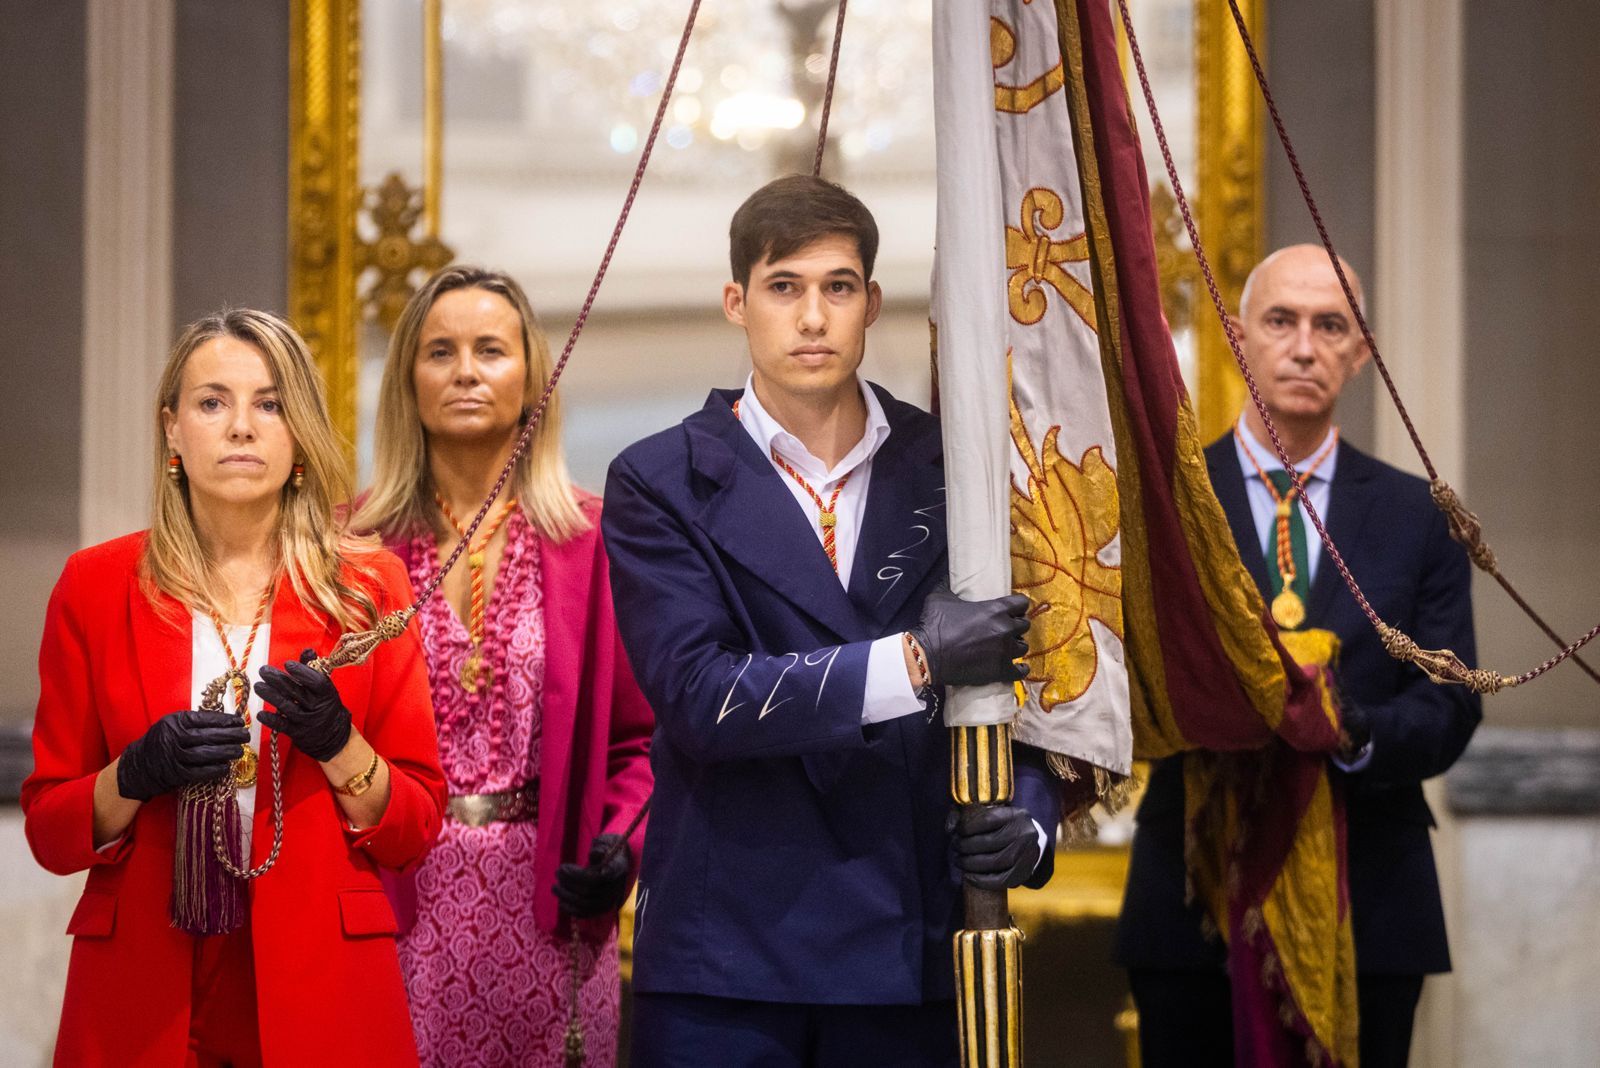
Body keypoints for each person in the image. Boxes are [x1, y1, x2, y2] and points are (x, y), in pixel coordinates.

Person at [602, 174, 1064, 1068]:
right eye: (784, 287)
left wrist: (1034, 818)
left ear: (872, 303)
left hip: (911, 938)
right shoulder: (659, 479)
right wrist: (919, 661)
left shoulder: (961, 468)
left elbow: (1042, 670)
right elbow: (700, 699)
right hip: (725, 955)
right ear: (737, 302)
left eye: (837, 287)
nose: (812, 316)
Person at [21, 309, 446, 1066]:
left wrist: (341, 746)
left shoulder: (367, 588)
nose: (242, 426)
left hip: (322, 977)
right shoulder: (94, 585)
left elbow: (414, 828)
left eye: (270, 403)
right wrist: (132, 775)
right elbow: (51, 831)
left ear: (300, 433)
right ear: (172, 430)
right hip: (144, 987)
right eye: (212, 402)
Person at [1115, 245, 1483, 1067]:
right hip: (1191, 895)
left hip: (1371, 892)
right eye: (1281, 321)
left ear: (1361, 351)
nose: (1305, 346)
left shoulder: (1418, 516)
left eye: (1330, 326)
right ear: (1240, 338)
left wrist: (1348, 727)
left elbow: (1452, 703)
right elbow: (1127, 678)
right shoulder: (1170, 500)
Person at [356, 264, 653, 1068]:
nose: (464, 371)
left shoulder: (593, 537)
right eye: (439, 351)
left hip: (549, 913)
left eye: (490, 349)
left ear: (531, 378)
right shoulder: (350, 545)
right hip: (390, 908)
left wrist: (623, 841)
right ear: (407, 383)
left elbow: (639, 743)